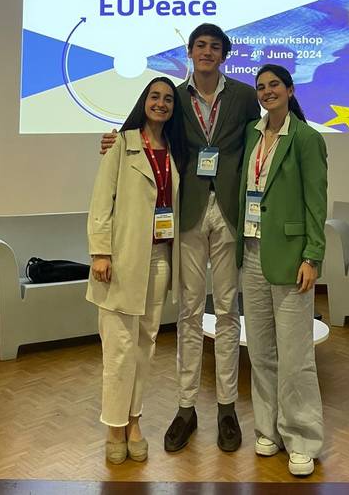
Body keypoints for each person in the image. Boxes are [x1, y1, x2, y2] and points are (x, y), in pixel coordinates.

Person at [101, 23, 260, 452]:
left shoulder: (245, 97)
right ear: (190, 52)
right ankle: (186, 408)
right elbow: (149, 130)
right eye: (200, 46)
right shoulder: (173, 95)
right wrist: (114, 139)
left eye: (215, 47)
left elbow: (260, 142)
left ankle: (226, 408)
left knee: (227, 311)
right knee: (189, 312)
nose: (207, 52)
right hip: (185, 213)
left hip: (228, 212)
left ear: (224, 54)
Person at [87, 76, 187, 464]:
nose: (160, 103)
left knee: (145, 345)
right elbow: (101, 202)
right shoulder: (121, 144)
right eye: (154, 97)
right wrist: (100, 252)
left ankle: (133, 421)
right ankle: (113, 426)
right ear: (143, 101)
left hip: (160, 259)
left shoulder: (176, 150)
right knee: (118, 347)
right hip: (122, 259)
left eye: (168, 99)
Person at [237, 64, 327, 477]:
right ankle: (268, 429)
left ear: (289, 90)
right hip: (252, 254)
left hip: (292, 259)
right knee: (261, 352)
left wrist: (313, 257)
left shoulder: (306, 139)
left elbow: (316, 203)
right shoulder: (252, 134)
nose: (267, 91)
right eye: (261, 87)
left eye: (274, 85)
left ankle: (302, 438)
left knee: (296, 357)